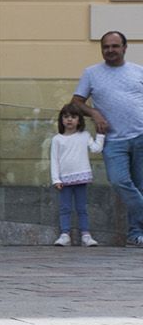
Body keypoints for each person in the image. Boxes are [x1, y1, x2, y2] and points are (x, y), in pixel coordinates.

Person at [69, 31, 143, 248]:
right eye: (106, 47)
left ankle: (136, 234)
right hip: (112, 141)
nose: (110, 50)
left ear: (124, 48)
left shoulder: (138, 71)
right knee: (119, 181)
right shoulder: (91, 73)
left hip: (141, 135)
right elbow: (76, 102)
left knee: (140, 185)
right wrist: (94, 113)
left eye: (115, 46)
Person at [50, 105, 103, 248]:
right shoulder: (57, 139)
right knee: (65, 208)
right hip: (64, 180)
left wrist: (101, 134)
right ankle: (64, 235)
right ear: (61, 120)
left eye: (73, 117)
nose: (69, 120)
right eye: (66, 117)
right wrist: (56, 179)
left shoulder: (84, 135)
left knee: (82, 208)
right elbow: (54, 160)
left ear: (79, 120)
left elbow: (96, 149)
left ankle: (86, 235)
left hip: (81, 178)